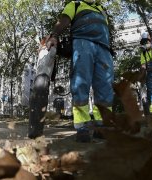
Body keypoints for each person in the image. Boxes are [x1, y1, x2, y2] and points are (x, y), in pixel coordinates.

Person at [46, 0, 114, 142]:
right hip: (83, 42)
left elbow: (106, 29)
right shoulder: (75, 5)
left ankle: (102, 125)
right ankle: (82, 127)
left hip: (104, 48)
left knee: (105, 86)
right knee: (80, 83)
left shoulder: (101, 9)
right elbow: (64, 20)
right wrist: (54, 36)